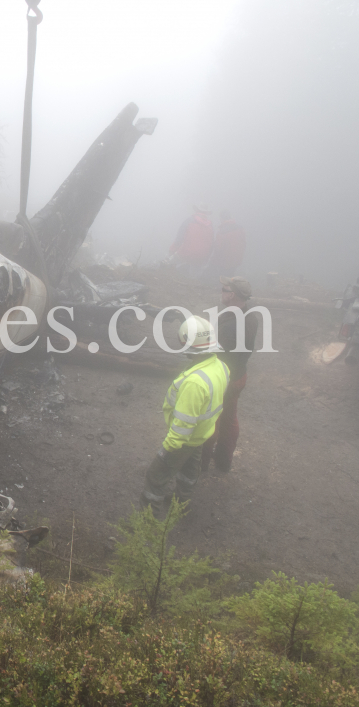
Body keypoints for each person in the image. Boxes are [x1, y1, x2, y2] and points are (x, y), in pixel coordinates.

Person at [141, 315, 230, 517]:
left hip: (183, 441)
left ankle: (147, 525)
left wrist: (167, 448)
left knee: (155, 478)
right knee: (189, 473)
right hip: (201, 435)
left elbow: (182, 427)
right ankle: (182, 504)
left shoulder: (194, 383)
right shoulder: (221, 367)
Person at [201, 276, 258, 472]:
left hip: (225, 380)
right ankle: (224, 462)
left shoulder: (231, 325)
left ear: (232, 294)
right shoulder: (249, 315)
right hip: (239, 375)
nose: (221, 292)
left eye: (224, 289)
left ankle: (201, 464)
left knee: (211, 422)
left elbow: (215, 353)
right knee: (229, 418)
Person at [169, 205, 214, 278]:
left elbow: (179, 238)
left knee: (169, 263)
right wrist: (206, 257)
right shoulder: (210, 225)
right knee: (194, 275)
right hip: (202, 255)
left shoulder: (189, 221)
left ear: (196, 211)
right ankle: (192, 283)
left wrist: (172, 250)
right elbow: (211, 243)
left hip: (186, 252)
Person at [208, 211, 247, 277]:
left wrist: (212, 261)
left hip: (225, 261)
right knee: (231, 275)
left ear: (221, 218)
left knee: (224, 277)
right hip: (237, 259)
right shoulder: (240, 228)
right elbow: (244, 243)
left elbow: (218, 249)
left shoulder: (221, 232)